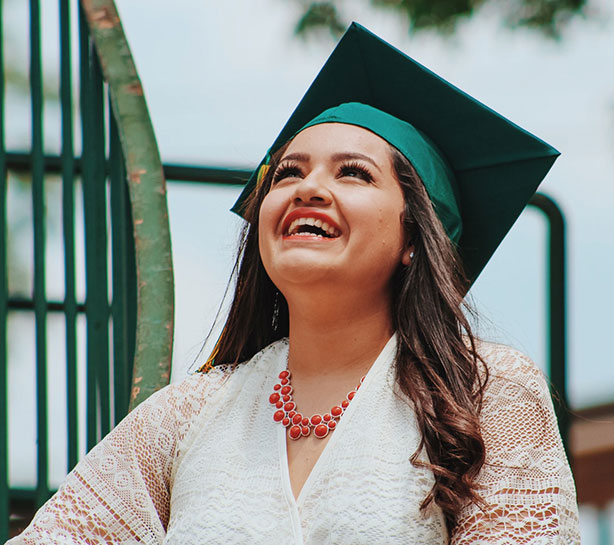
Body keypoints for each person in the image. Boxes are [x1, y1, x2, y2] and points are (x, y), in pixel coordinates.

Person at [9, 23, 580, 544]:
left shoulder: (484, 395)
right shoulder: (186, 417)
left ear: (414, 237)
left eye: (353, 173)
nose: (308, 188)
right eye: (288, 172)